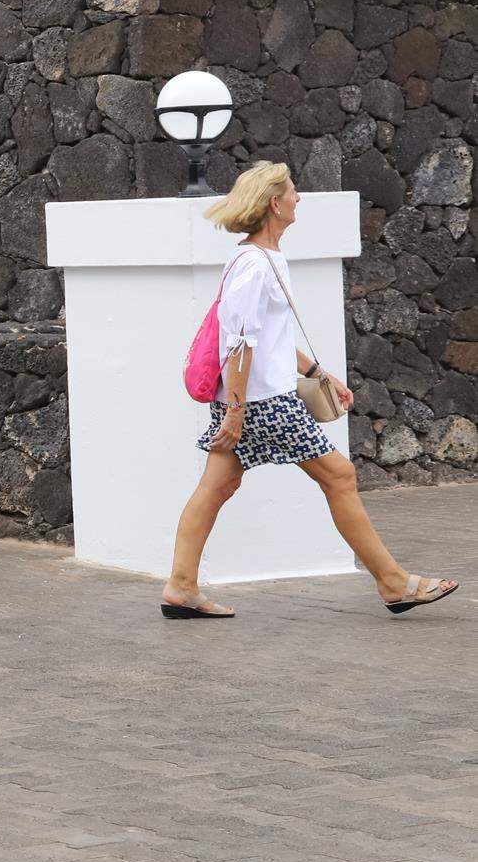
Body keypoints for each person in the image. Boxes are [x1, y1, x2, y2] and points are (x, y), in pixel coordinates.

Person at [162, 161, 458, 619]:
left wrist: (320, 373)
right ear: (273, 204)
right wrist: (237, 411)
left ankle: (181, 587)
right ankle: (394, 583)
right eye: (293, 192)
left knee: (215, 487)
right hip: (265, 403)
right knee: (339, 476)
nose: (299, 198)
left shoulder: (263, 260)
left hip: (255, 400)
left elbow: (270, 338)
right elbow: (238, 345)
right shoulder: (254, 265)